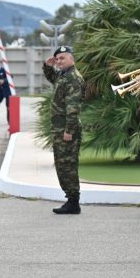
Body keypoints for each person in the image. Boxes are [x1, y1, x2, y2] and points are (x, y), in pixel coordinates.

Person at [43, 46, 85, 214]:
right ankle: (70, 199)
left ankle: (73, 202)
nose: (59, 61)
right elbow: (53, 78)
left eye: (62, 58)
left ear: (71, 59)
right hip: (60, 129)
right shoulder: (64, 75)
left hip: (67, 130)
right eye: (57, 59)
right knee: (62, 164)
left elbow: (73, 108)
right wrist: (48, 66)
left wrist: (69, 131)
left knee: (68, 165)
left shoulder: (74, 78)